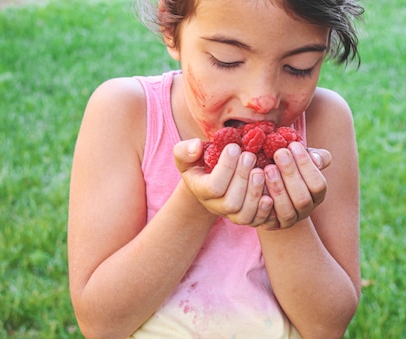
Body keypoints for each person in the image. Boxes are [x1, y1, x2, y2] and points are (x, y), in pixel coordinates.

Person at [67, 0, 364, 337]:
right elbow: (101, 323)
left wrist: (282, 218)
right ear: (170, 28)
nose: (262, 99)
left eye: (300, 66)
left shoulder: (326, 122)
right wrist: (194, 205)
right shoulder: (125, 113)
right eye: (228, 60)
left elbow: (327, 325)